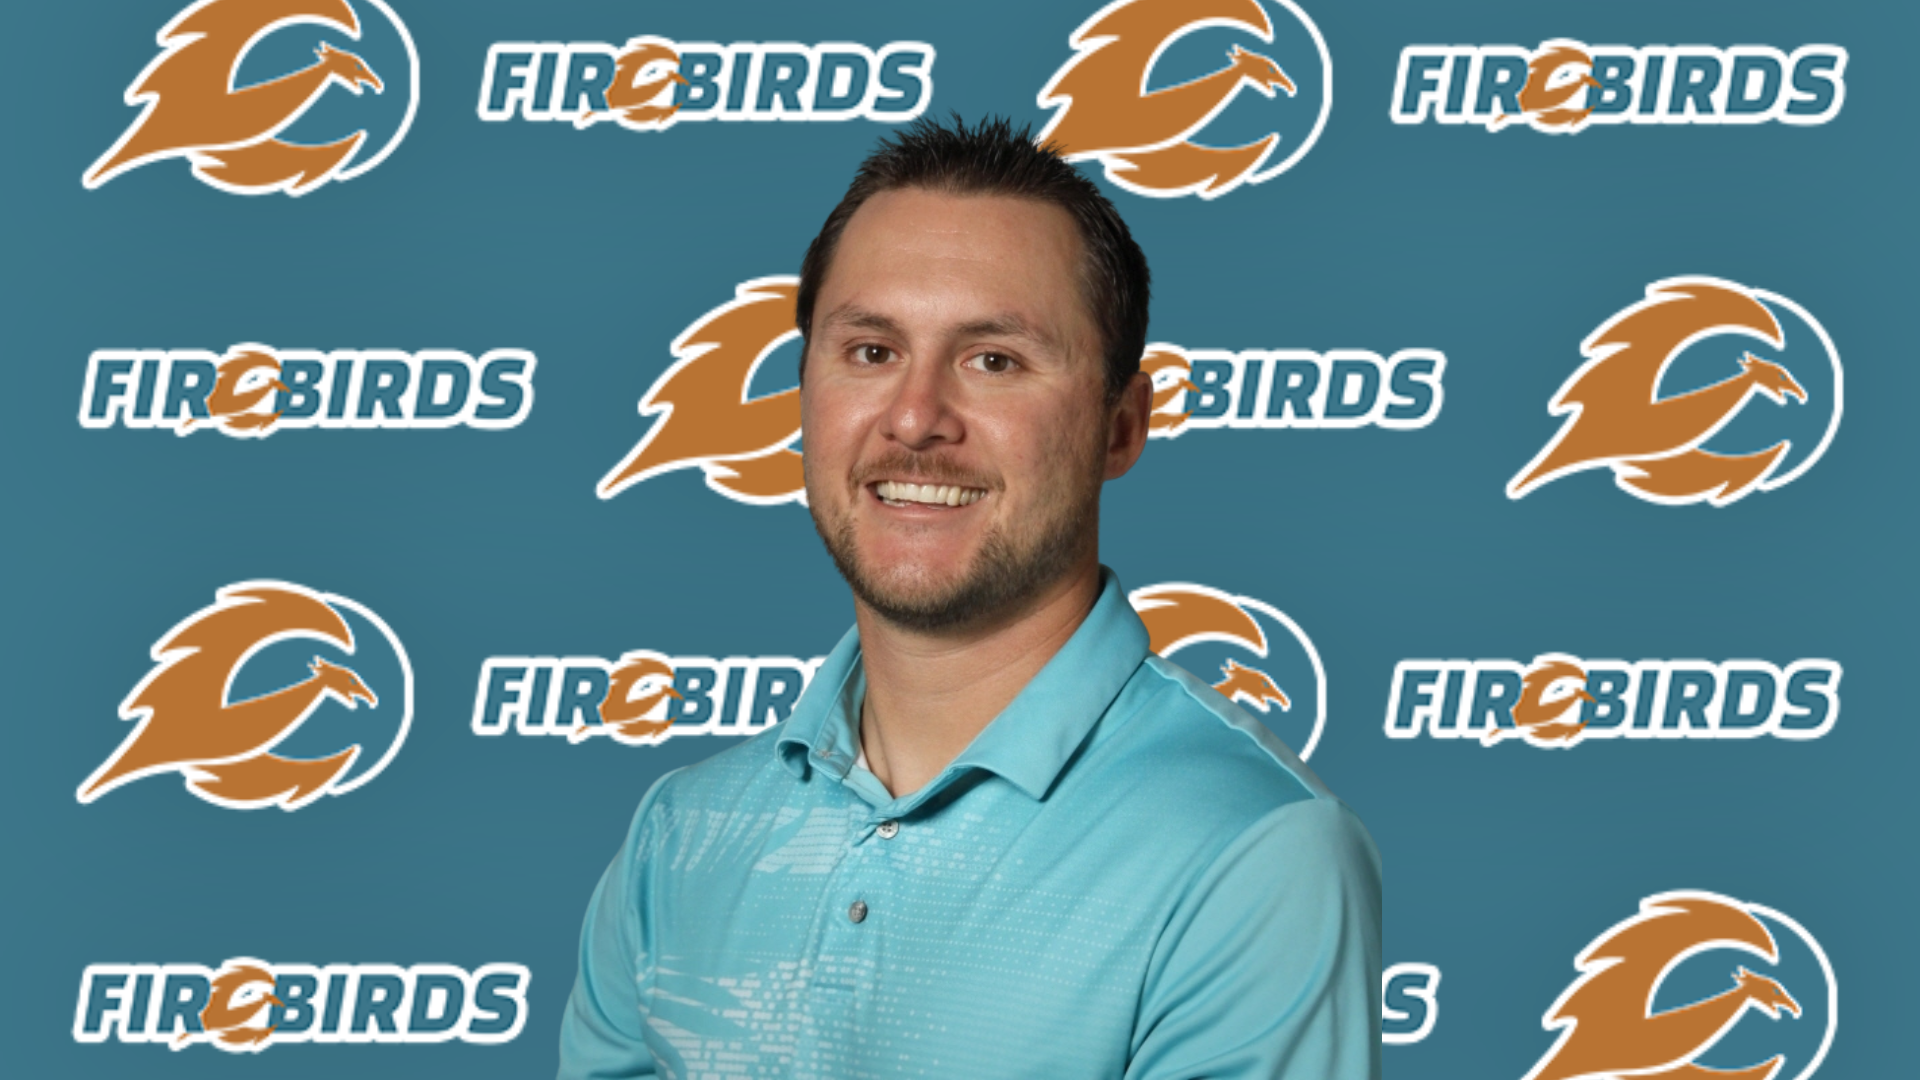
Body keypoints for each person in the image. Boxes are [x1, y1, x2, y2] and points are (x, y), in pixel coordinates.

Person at [559, 116, 1381, 1079]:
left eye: (994, 360)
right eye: (871, 352)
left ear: (1121, 427)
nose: (914, 419)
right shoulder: (677, 839)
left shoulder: (1249, 852)